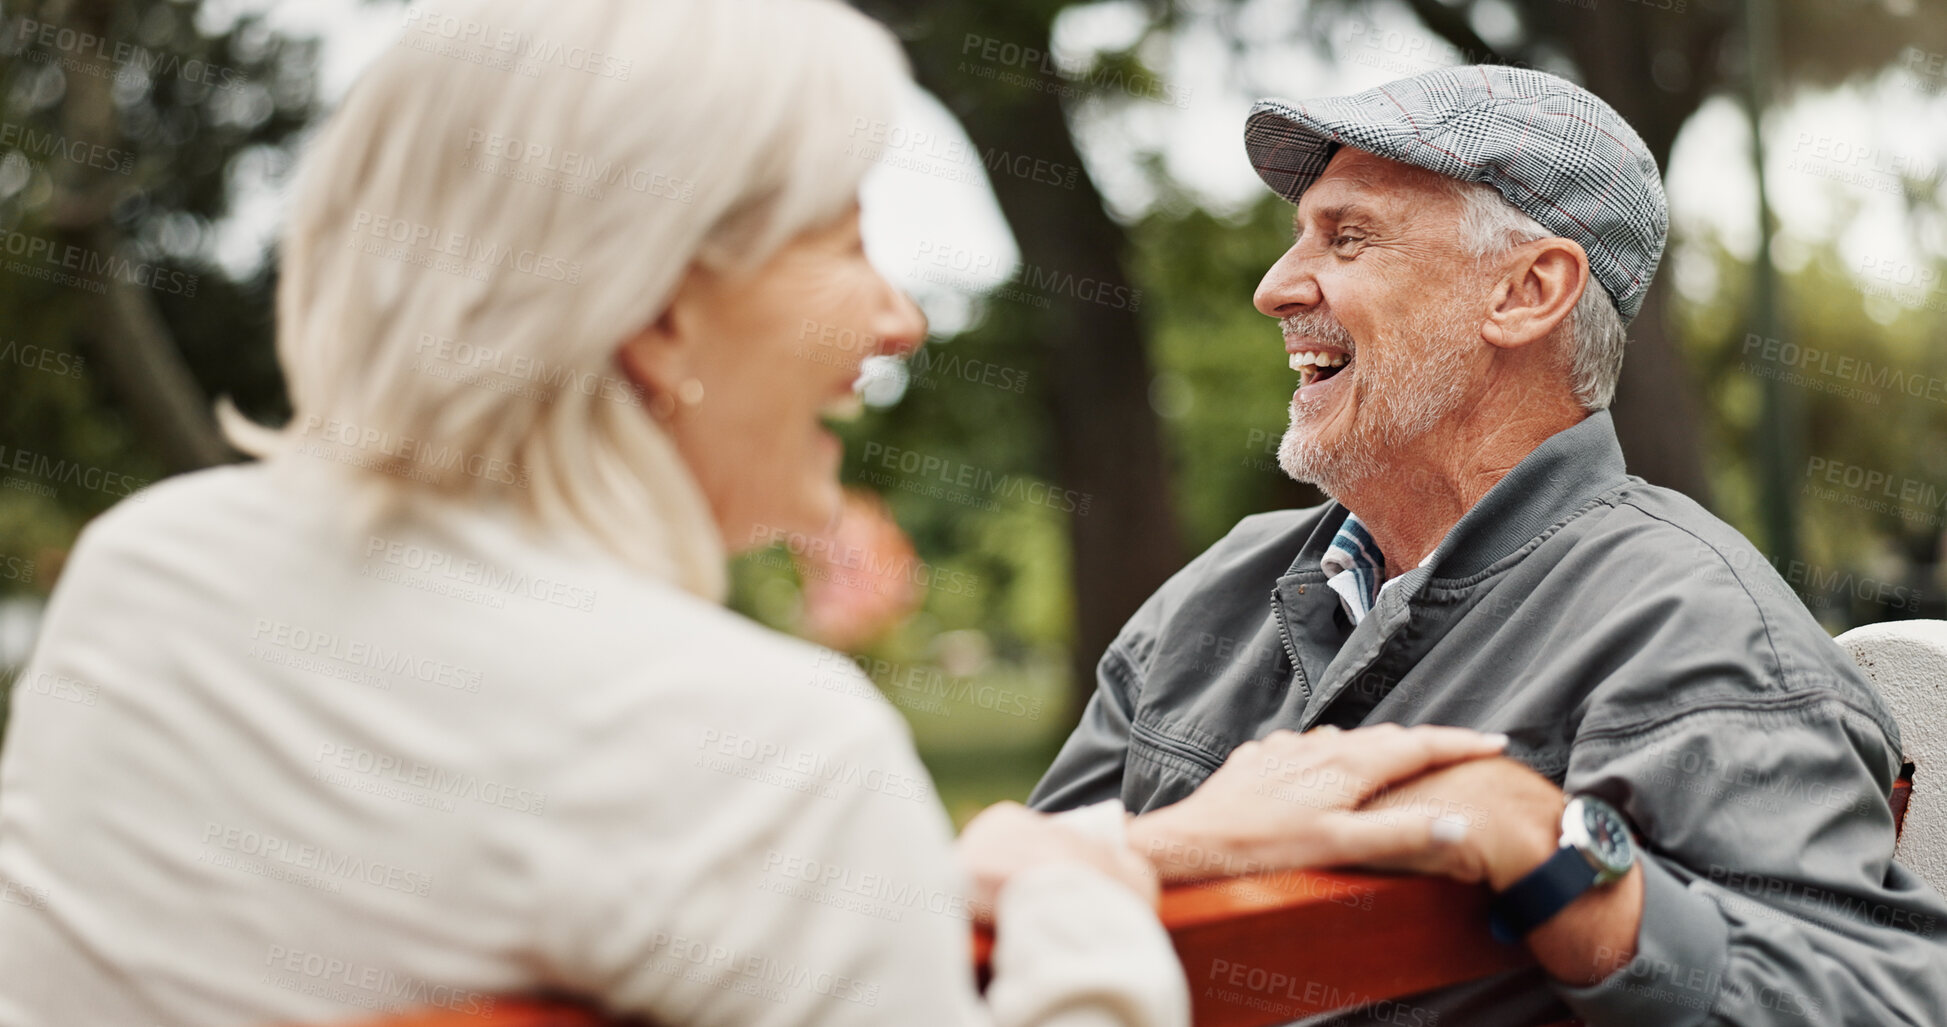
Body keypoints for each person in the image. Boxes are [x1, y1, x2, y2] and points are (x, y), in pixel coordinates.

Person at [0, 2, 1516, 1024]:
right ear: (657, 310)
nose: (894, 317)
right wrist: (1080, 886)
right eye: (842, 236)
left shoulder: (152, 579)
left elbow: (478, 863)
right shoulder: (761, 753)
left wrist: (981, 864)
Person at [1030, 64, 1947, 1026]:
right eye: (1298, 237)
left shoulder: (1697, 630)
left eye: (1346, 238)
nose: (1274, 288)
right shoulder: (1213, 594)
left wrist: (1551, 850)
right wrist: (1165, 850)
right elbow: (986, 953)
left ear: (1525, 290)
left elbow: (1879, 1002)